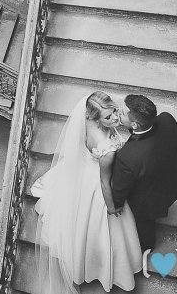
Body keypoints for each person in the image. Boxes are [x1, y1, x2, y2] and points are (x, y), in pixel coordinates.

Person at [29, 92, 142, 293]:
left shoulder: (87, 118)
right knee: (96, 229)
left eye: (114, 112)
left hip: (84, 171)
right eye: (108, 117)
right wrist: (111, 207)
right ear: (95, 118)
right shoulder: (107, 150)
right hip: (97, 185)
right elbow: (105, 183)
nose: (115, 118)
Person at [111, 94, 177, 252]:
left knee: (144, 230)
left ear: (135, 125)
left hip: (147, 203)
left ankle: (145, 247)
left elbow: (119, 191)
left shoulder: (128, 157)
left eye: (122, 113)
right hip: (170, 184)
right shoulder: (167, 119)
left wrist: (115, 205)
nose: (117, 113)